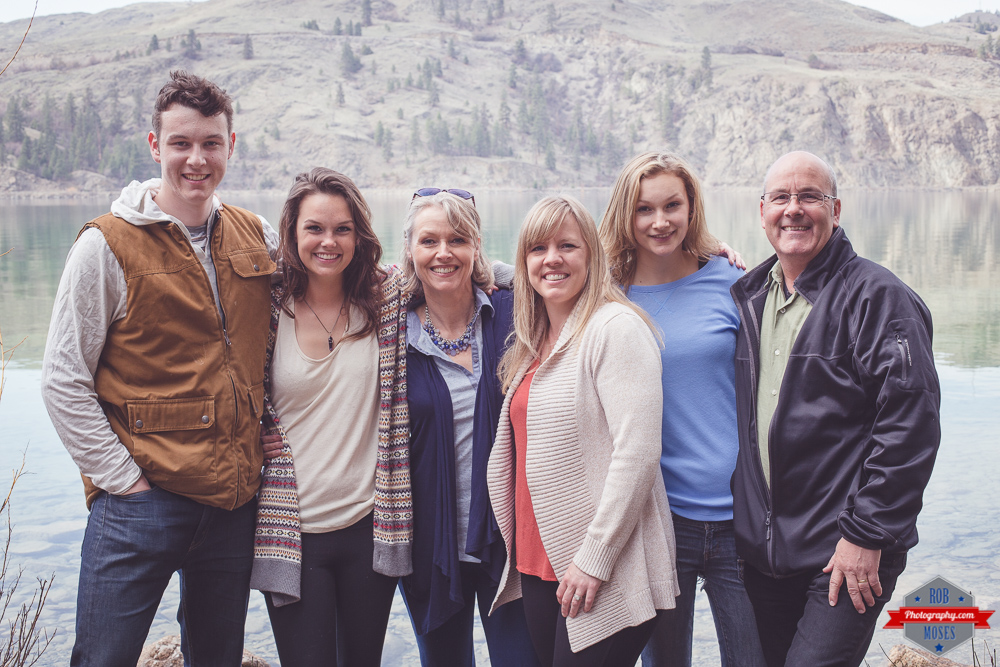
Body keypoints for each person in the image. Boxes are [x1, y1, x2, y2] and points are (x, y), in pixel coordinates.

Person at [40, 70, 278, 666]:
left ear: (230, 146)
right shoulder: (107, 244)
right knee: (103, 659)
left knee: (217, 658)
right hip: (138, 504)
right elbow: (63, 381)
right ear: (155, 147)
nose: (196, 159)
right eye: (181, 143)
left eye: (210, 144)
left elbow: (332, 292)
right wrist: (124, 482)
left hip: (231, 502)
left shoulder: (258, 236)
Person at [731, 151, 941, 667]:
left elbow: (911, 426)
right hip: (766, 553)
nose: (794, 210)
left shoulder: (877, 297)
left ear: (837, 209)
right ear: (762, 212)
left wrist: (866, 534)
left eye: (810, 197)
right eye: (781, 198)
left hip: (846, 550)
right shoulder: (749, 298)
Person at [488, 195, 679, 667]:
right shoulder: (533, 342)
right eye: (538, 248)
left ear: (591, 256)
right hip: (538, 564)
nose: (552, 259)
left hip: (601, 567)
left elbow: (637, 453)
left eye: (567, 246)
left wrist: (594, 558)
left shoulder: (615, 328)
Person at [598, 151, 765, 667]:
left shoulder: (734, 282)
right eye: (644, 209)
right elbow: (535, 275)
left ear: (692, 207)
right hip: (659, 522)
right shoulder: (606, 295)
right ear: (626, 216)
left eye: (673, 205)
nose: (660, 221)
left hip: (740, 517)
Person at [249, 168, 411, 667]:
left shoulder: (386, 300)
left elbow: (456, 267)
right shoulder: (266, 303)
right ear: (291, 234)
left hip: (370, 525)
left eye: (342, 229)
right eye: (314, 228)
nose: (328, 241)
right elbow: (226, 377)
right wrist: (252, 434)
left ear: (359, 235)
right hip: (293, 531)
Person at [398, 189, 540, 667]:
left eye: (457, 239)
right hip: (429, 546)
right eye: (429, 241)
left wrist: (705, 253)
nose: (443, 253)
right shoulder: (391, 332)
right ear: (410, 252)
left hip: (510, 545)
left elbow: (581, 269)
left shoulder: (515, 313)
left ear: (476, 246)